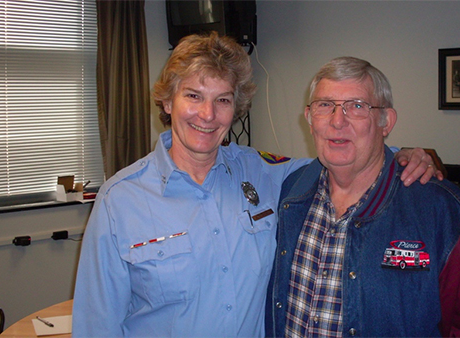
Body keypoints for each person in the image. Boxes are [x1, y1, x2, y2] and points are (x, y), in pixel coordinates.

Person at [72, 32, 437, 337]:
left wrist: (401, 154)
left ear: (236, 108)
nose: (207, 115)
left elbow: (342, 157)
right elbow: (96, 326)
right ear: (168, 101)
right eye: (193, 96)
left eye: (223, 100)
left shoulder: (264, 173)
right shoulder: (119, 201)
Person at [266, 56, 460, 337]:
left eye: (356, 106)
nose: (337, 121)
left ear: (386, 121)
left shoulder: (441, 211)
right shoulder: (290, 194)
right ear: (309, 119)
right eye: (325, 105)